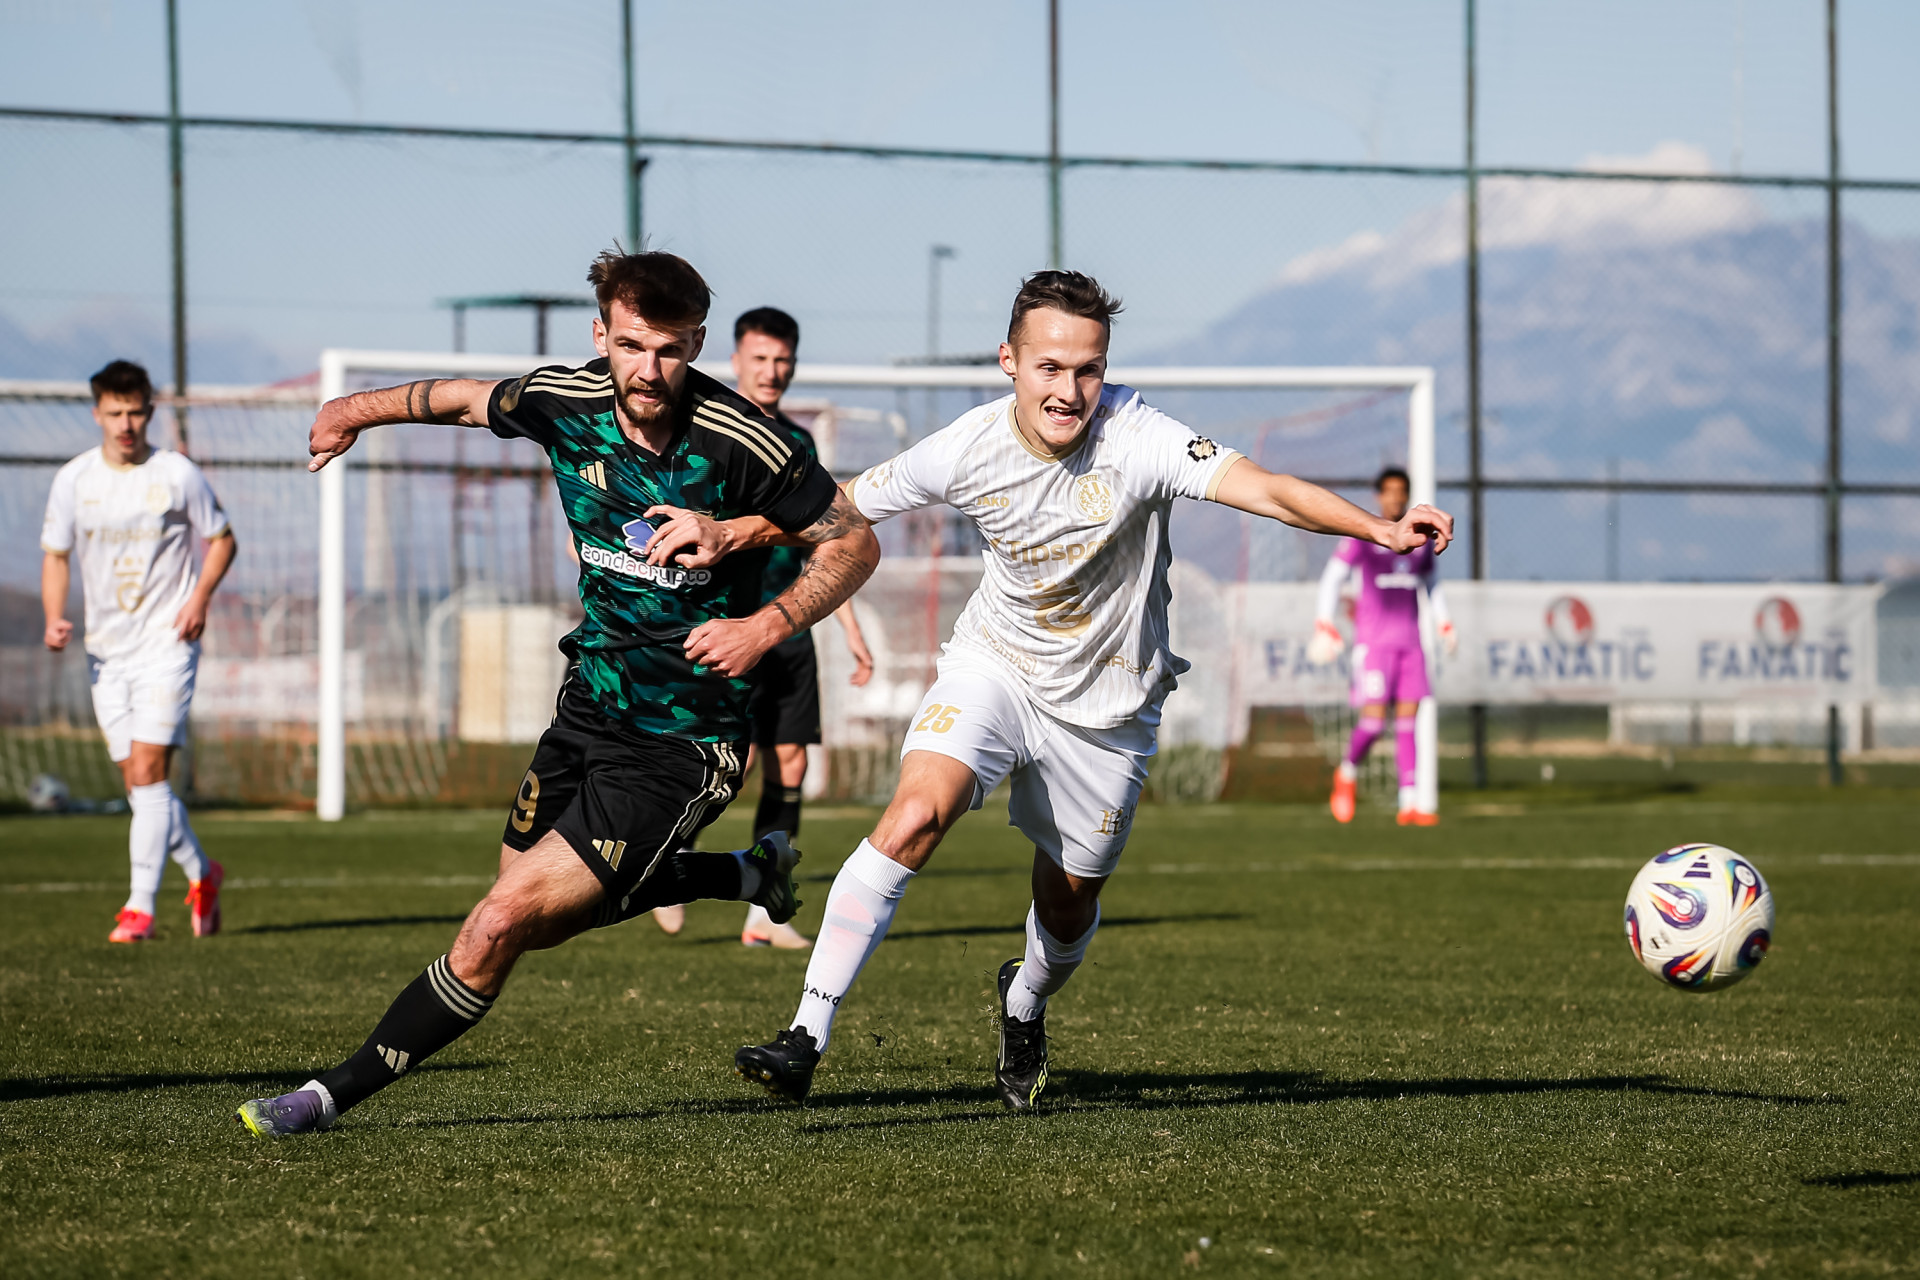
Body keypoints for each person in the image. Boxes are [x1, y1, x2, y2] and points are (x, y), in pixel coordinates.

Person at [719, 270, 1452, 1110]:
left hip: (1109, 708)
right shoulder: (966, 446)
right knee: (915, 814)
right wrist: (732, 531)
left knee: (1066, 907)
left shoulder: (1141, 437)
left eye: (1088, 370)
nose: (1069, 392)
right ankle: (805, 1034)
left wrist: (1377, 527)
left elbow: (1267, 489)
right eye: (1049, 368)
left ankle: (1025, 1000)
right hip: (996, 668)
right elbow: (840, 505)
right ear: (1008, 360)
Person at [234, 249, 879, 1137]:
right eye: (630, 346)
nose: (647, 370)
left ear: (696, 344)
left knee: (499, 923)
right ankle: (742, 873)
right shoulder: (565, 400)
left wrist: (765, 624)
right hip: (587, 705)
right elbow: (462, 399)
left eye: (669, 349)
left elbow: (854, 542)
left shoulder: (745, 441)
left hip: (684, 743)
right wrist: (351, 410)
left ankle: (322, 1097)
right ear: (600, 335)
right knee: (529, 906)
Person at [650, 306, 876, 949]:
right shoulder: (707, 435)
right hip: (728, 625)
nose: (772, 371)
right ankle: (671, 861)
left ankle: (763, 916)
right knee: (735, 762)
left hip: (791, 628)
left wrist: (850, 630)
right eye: (760, 359)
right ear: (735, 361)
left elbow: (827, 543)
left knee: (792, 762)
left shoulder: (798, 445)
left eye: (782, 360)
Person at [40, 359, 236, 943]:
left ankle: (139, 909)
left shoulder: (176, 473)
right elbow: (56, 554)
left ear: (150, 412)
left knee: (150, 772)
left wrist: (199, 598)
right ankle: (203, 873)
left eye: (135, 412)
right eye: (115, 413)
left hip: (167, 645)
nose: (125, 424)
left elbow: (222, 540)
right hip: (106, 654)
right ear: (97, 414)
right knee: (140, 785)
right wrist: (54, 616)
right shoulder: (74, 480)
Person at [1308, 466, 1457, 827]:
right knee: (1374, 723)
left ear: (1407, 495)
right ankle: (1346, 774)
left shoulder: (1420, 540)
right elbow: (1333, 578)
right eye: (1389, 491)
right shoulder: (1365, 535)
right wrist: (1324, 620)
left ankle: (1409, 804)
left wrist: (1444, 621)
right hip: (1374, 646)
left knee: (1408, 724)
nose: (1395, 498)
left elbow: (1431, 584)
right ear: (1379, 496)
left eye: (1401, 491)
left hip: (1411, 646)